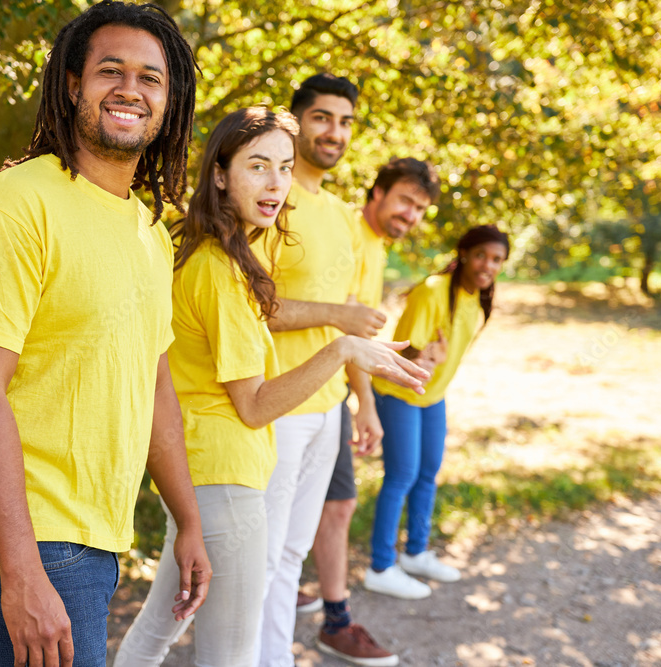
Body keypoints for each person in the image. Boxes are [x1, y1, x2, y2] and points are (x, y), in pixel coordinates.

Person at [0, 2, 211, 666]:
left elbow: (153, 380)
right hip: (16, 536)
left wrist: (188, 519)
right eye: (110, 70)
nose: (130, 89)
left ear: (169, 104)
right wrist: (22, 571)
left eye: (151, 78)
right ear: (71, 85)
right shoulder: (14, 204)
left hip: (93, 532)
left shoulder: (147, 229)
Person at [114, 109, 428, 667]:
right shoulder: (219, 270)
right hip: (225, 483)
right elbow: (255, 407)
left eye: (284, 168)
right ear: (220, 174)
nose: (276, 183)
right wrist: (343, 347)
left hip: (202, 472)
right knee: (231, 655)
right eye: (258, 167)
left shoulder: (210, 250)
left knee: (158, 629)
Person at [296, 155, 440, 664]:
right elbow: (344, 326)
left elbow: (356, 330)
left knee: (336, 505)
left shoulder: (376, 245)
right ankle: (313, 609)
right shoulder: (348, 233)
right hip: (301, 389)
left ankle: (330, 615)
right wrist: (366, 405)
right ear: (376, 193)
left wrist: (358, 400)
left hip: (331, 392)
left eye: (421, 208)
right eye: (405, 200)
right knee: (318, 509)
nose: (411, 214)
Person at [364, 225, 509, 600]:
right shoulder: (432, 290)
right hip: (399, 393)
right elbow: (399, 352)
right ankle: (381, 566)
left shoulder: (474, 299)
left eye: (496, 260)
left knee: (428, 473)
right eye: (481, 255)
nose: (487, 265)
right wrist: (426, 353)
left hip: (433, 396)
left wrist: (435, 363)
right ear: (463, 253)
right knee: (402, 476)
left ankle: (415, 553)